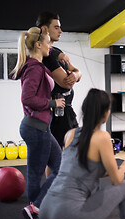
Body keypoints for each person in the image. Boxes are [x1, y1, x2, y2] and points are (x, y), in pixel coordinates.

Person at [39, 89, 125, 219]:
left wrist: (117, 169)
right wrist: (123, 168)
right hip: (68, 217)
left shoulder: (69, 134)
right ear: (105, 113)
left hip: (45, 210)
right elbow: (116, 181)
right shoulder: (102, 137)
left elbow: (84, 172)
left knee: (92, 181)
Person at [10, 27, 64, 219]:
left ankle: (34, 210)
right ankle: (34, 210)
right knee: (41, 173)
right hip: (36, 128)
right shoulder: (33, 68)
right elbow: (28, 98)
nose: (51, 46)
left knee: (58, 168)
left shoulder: (37, 66)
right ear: (39, 45)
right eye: (48, 42)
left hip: (40, 127)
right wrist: (52, 103)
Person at [36, 12, 81, 149]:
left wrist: (76, 75)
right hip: (57, 112)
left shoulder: (55, 51)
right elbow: (65, 83)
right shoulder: (46, 55)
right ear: (44, 29)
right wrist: (73, 77)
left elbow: (77, 72)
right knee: (60, 154)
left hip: (65, 109)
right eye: (56, 27)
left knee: (57, 155)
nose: (60, 31)